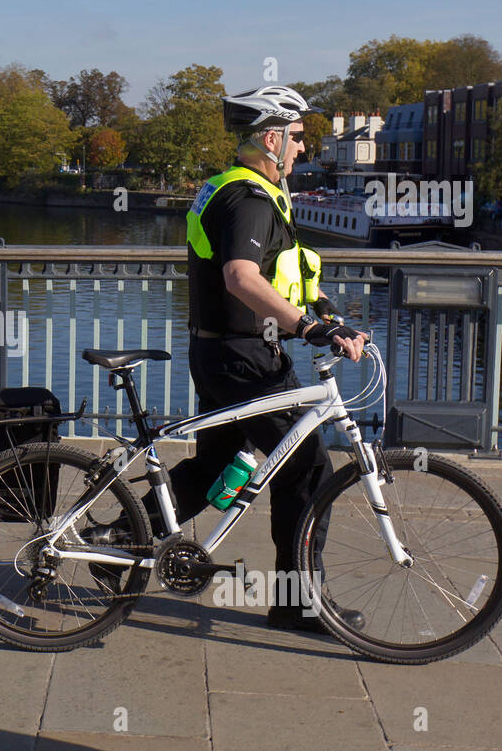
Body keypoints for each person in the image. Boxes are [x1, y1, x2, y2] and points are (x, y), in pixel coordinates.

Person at [156, 85, 367, 632]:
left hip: (227, 350)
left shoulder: (244, 189)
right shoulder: (247, 199)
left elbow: (284, 272)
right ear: (272, 139)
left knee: (214, 468)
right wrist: (307, 327)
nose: (304, 149)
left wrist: (322, 312)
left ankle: (120, 534)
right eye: (297, 138)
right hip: (244, 356)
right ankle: (299, 602)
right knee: (307, 469)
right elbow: (240, 277)